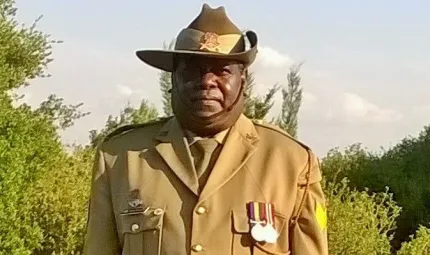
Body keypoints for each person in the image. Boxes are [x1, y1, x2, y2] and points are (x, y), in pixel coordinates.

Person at [83, 3, 328, 255]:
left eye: (222, 71)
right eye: (192, 69)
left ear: (242, 80)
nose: (207, 81)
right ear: (173, 78)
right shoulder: (121, 157)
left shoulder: (291, 163)